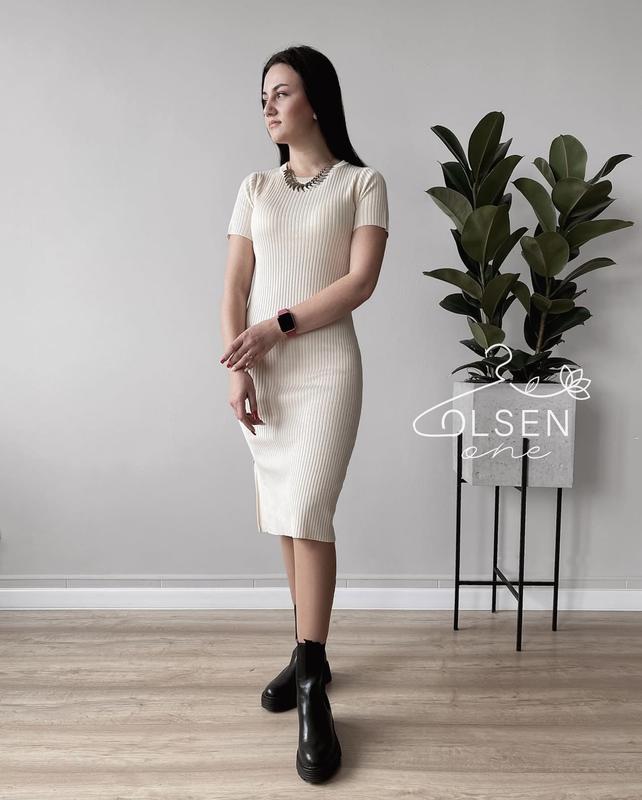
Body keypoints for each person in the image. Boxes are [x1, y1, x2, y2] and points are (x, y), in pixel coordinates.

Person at [220, 44, 389, 784]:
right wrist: (238, 365)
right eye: (263, 95)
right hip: (264, 372)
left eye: (282, 92)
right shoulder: (255, 187)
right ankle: (304, 649)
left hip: (323, 372)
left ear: (315, 100)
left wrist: (275, 328)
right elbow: (233, 287)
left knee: (310, 510)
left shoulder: (362, 183)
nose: (268, 106)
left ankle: (313, 681)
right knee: (287, 514)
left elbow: (359, 284)